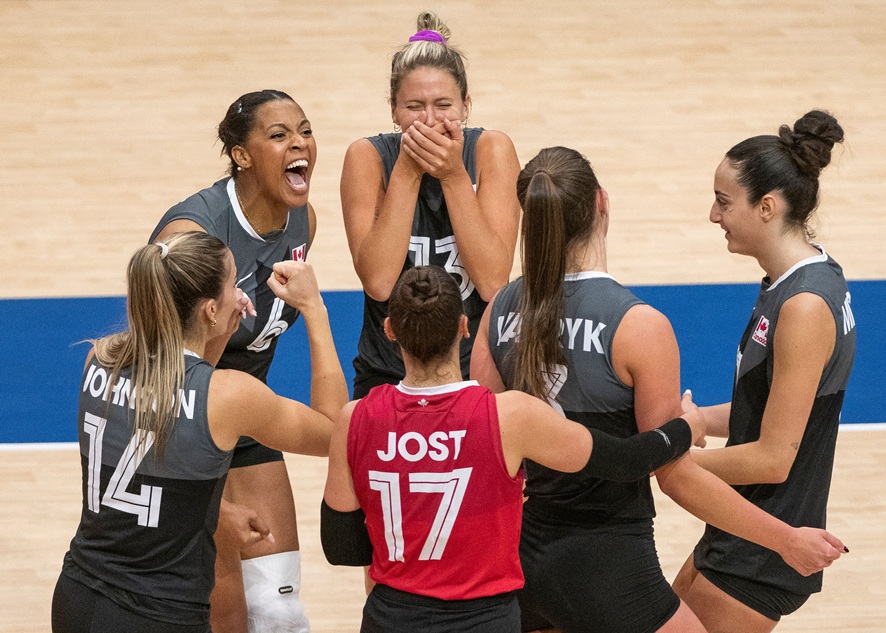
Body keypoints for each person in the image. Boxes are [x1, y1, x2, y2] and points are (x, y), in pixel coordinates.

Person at [470, 146, 848, 633]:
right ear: (602, 202)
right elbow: (673, 473)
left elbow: (487, 447)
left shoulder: (499, 309)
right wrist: (785, 538)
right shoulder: (638, 325)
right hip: (610, 563)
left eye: (723, 202)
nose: (713, 214)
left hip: (521, 557)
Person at [320, 265, 707, 633]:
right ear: (463, 327)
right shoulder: (509, 416)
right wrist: (686, 427)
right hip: (482, 620)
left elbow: (340, 548)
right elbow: (626, 461)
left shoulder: (355, 418)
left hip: (391, 617)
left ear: (389, 330)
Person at [51, 232, 348, 633]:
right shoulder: (229, 397)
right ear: (209, 309)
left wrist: (219, 331)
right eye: (233, 284)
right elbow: (333, 432)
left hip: (76, 595)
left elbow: (177, 400)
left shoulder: (100, 358)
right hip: (158, 614)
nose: (240, 293)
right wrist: (314, 308)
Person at [671, 110, 856, 633]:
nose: (713, 215)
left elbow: (774, 458)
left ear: (767, 207)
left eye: (724, 201)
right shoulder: (791, 278)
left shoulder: (804, 306)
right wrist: (699, 422)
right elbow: (775, 407)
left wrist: (672, 462)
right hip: (740, 526)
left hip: (767, 546)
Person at [150, 90, 317, 632]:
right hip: (182, 429)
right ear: (241, 156)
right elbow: (151, 364)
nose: (300, 144)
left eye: (305, 130)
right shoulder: (192, 236)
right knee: (221, 615)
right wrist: (204, 498)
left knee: (279, 611)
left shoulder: (302, 220)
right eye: (279, 135)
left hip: (245, 413)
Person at [341, 11, 521, 398]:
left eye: (443, 105)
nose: (428, 120)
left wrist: (454, 176)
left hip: (475, 370)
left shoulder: (491, 150)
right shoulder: (366, 158)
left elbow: (492, 281)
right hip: (388, 372)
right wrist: (407, 171)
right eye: (413, 106)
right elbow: (378, 282)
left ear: (466, 106)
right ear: (393, 109)